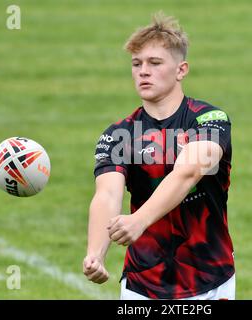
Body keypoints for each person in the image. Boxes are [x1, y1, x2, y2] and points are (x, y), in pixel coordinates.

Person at [83, 12, 235, 300]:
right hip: (143, 283)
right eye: (136, 64)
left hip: (210, 279)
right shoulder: (119, 134)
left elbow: (188, 172)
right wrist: (95, 253)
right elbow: (107, 195)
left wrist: (139, 220)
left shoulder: (210, 120)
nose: (143, 71)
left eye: (155, 63)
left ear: (181, 70)